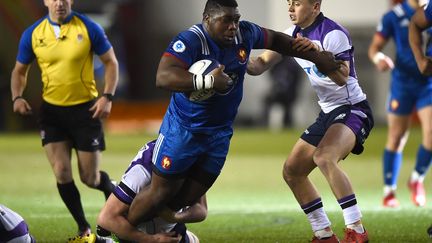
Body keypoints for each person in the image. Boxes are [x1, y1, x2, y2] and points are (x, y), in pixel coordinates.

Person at [126, 0, 342, 230]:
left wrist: (317, 57)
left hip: (219, 134)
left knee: (185, 199)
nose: (233, 26)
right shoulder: (191, 40)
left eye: (236, 20)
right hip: (183, 130)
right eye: (226, 20)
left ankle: (150, 228)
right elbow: (163, 77)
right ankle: (123, 232)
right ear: (207, 19)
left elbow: (278, 40)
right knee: (162, 192)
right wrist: (208, 80)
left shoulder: (245, 33)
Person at [247, 0, 374, 242]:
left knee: (325, 157)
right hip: (327, 113)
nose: (290, 8)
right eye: (288, 3)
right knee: (292, 171)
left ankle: (356, 229)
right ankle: (323, 233)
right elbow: (260, 64)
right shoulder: (289, 35)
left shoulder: (333, 33)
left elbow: (341, 78)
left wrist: (314, 53)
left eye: (297, 3)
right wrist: (238, 59)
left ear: (315, 6)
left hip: (353, 109)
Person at [10, 0, 119, 237]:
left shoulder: (88, 27)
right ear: (45, 1)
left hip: (85, 111)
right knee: (61, 172)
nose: (59, 3)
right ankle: (83, 228)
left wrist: (107, 96)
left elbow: (111, 62)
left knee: (90, 178)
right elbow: (19, 70)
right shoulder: (33, 33)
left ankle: (113, 190)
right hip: (52, 114)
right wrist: (17, 97)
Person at [368, 0, 432, 208]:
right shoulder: (393, 16)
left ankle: (416, 179)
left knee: (431, 134)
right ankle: (389, 190)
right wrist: (379, 58)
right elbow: (374, 48)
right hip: (402, 84)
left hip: (428, 84)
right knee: (397, 137)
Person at [96, 140, 207, 243]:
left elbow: (201, 208)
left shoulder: (194, 159)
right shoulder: (141, 173)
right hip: (136, 227)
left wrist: (175, 217)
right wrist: (153, 239)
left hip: (171, 225)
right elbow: (106, 218)